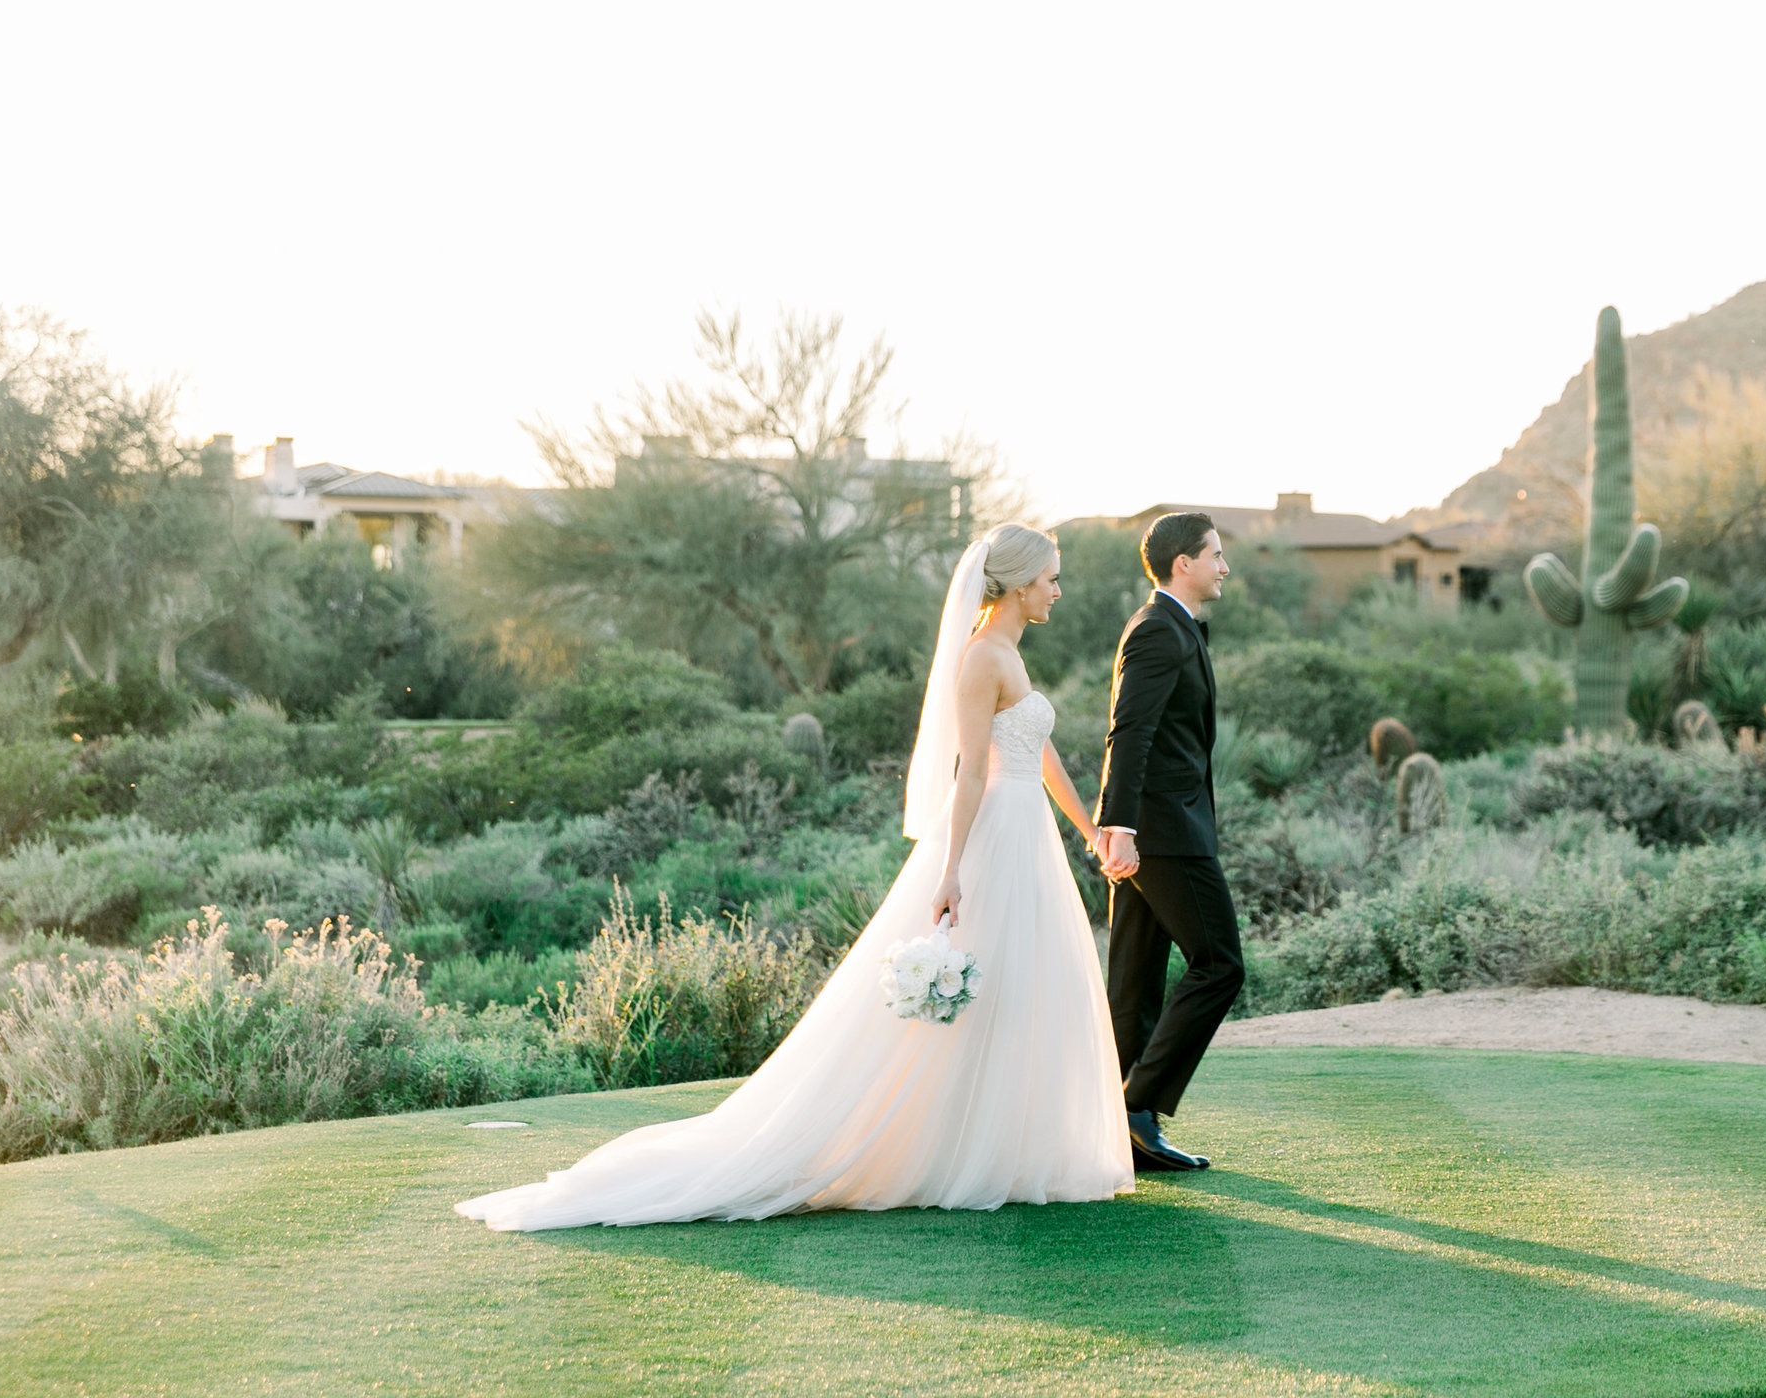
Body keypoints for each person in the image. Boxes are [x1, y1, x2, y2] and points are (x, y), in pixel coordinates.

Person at [455, 525, 1133, 1229]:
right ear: (1021, 584)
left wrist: (1088, 832)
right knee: (991, 983)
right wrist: (952, 867)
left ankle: (1017, 1146)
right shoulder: (981, 658)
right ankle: (960, 1151)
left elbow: (1040, 752)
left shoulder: (1011, 654)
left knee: (1026, 985)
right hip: (995, 837)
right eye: (1053, 577)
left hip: (1030, 838)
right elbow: (967, 776)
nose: (1059, 589)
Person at [1095, 511, 1243, 1172]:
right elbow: (1130, 734)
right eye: (1215, 554)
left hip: (1162, 826)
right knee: (1220, 963)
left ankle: (1124, 1125)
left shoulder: (1171, 626)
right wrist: (1119, 827)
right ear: (1183, 562)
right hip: (1163, 832)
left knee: (1134, 979)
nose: (1224, 566)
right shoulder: (1157, 630)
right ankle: (1136, 1102)